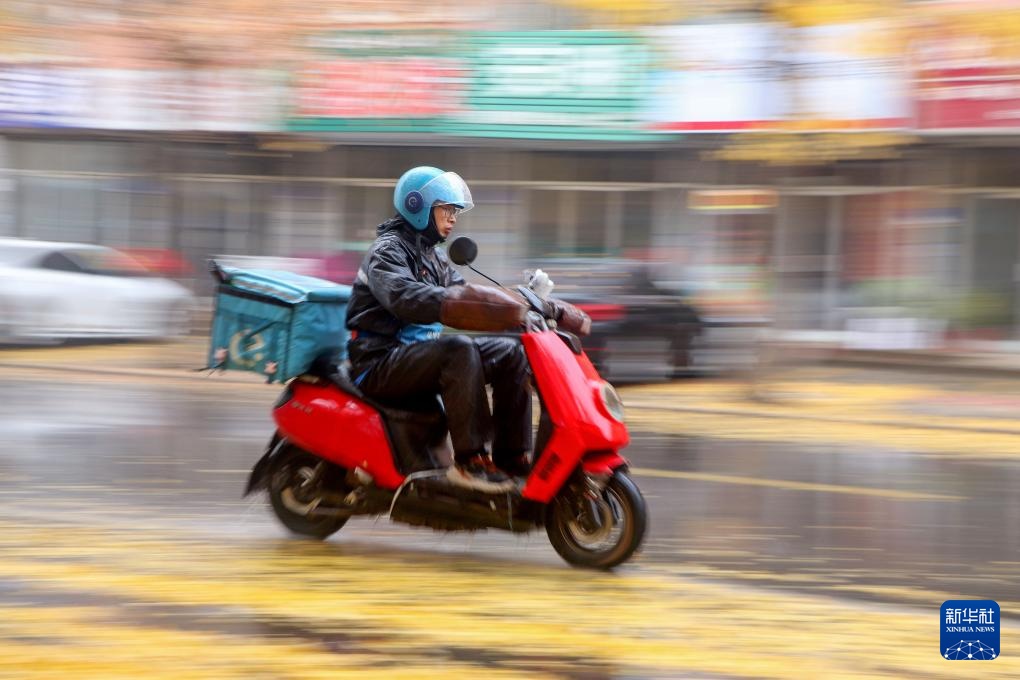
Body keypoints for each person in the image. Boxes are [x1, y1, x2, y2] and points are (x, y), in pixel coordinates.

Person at [345, 166, 532, 492]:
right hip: (378, 362)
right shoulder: (388, 251)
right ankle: (470, 462)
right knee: (458, 349)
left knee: (510, 351)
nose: (454, 217)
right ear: (418, 206)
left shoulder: (433, 256)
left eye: (455, 210)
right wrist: (455, 302)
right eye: (447, 209)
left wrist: (520, 305)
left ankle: (511, 456)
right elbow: (403, 297)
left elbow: (464, 294)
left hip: (414, 357)